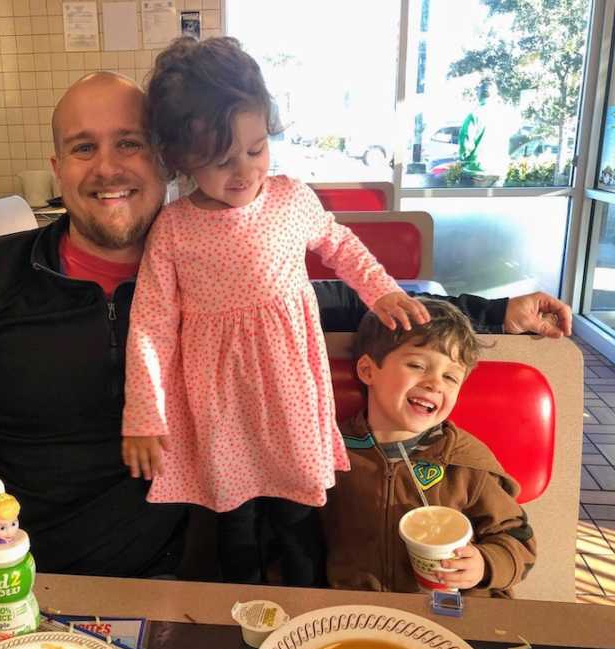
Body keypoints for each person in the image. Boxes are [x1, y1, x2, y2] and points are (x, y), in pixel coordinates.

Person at [0, 70, 570, 577]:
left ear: (165, 158)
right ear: (56, 165)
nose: (108, 167)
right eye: (83, 147)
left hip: (147, 579)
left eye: (128, 142)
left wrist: (495, 309)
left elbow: (346, 295)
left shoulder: (229, 254)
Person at [122, 37, 429, 586]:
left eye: (256, 149)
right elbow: (150, 326)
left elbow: (338, 245)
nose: (243, 171)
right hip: (220, 407)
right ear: (180, 159)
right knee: (233, 528)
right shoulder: (173, 229)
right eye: (221, 160)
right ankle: (242, 624)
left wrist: (380, 290)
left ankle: (309, 619)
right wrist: (145, 417)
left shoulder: (291, 199)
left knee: (298, 519)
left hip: (289, 393)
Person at [323, 299, 536, 596]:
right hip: (358, 615)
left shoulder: (466, 463)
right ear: (368, 370)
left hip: (453, 616)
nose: (435, 384)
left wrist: (484, 564)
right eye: (417, 365)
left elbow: (517, 539)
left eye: (450, 377)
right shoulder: (329, 453)